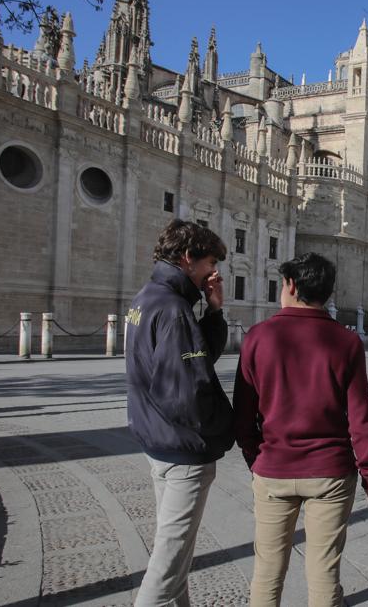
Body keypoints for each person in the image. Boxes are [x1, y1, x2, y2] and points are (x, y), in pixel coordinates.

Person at [234, 252, 368, 607]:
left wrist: (256, 458)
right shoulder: (347, 343)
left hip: (273, 470)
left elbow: (242, 414)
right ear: (327, 293)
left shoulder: (258, 337)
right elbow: (361, 418)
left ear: (290, 285)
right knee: (324, 573)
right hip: (330, 473)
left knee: (267, 571)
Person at [125, 219, 234, 607]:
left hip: (159, 440)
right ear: (188, 258)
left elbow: (193, 357)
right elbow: (190, 387)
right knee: (168, 565)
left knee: (176, 552)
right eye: (209, 263)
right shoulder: (173, 309)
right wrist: (225, 428)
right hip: (183, 449)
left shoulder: (149, 297)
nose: (214, 272)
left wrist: (215, 310)